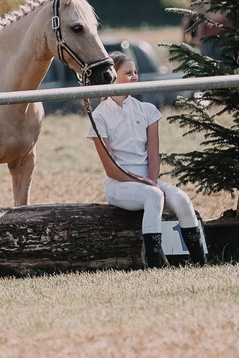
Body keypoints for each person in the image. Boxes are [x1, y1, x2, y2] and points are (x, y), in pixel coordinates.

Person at [87, 51, 207, 268]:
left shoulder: (148, 110)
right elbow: (111, 168)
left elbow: (153, 155)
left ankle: (201, 264)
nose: (134, 77)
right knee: (152, 196)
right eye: (128, 73)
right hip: (119, 185)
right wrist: (148, 185)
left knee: (181, 200)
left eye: (135, 72)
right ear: (113, 75)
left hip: (148, 181)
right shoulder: (99, 116)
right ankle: (155, 266)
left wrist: (152, 181)